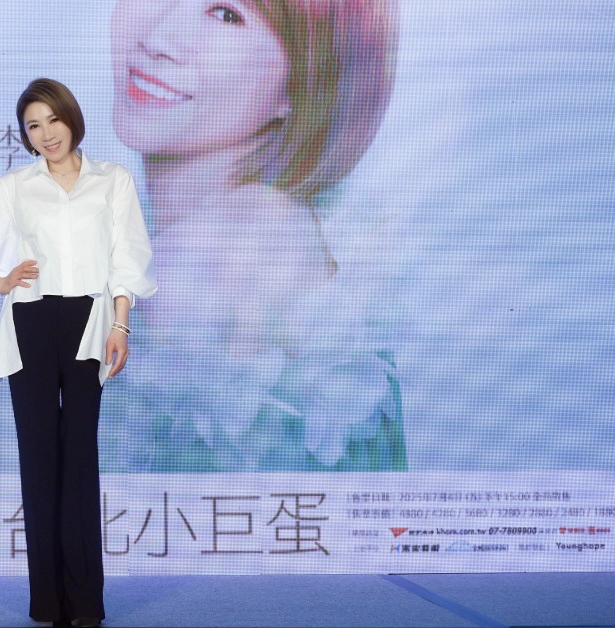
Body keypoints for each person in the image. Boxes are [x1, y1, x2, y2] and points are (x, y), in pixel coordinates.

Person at [110, 0, 404, 471]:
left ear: (306, 79)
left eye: (227, 14)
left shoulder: (235, 244)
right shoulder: (274, 226)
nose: (158, 38)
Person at [0, 78, 156, 626]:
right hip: (30, 320)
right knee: (37, 458)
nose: (46, 133)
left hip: (90, 322)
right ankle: (49, 603)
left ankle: (86, 603)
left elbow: (127, 257)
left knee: (79, 456)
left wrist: (121, 325)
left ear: (72, 119)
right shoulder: (16, 187)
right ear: (25, 135)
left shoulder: (113, 180)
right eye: (33, 125)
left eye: (53, 120)